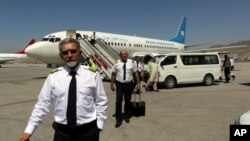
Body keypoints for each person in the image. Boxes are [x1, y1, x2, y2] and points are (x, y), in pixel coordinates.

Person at [18, 38, 108, 141]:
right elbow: (42, 105)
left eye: (73, 51)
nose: (69, 55)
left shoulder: (92, 75)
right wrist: (28, 131)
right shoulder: (53, 77)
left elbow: (101, 101)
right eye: (65, 53)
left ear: (80, 53)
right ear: (61, 56)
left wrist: (99, 126)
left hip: (88, 132)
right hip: (62, 133)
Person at [111, 49, 140, 128]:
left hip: (129, 84)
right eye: (123, 54)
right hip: (119, 84)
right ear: (120, 55)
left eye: (125, 54)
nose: (124, 55)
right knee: (118, 101)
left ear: (127, 55)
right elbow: (113, 74)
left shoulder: (131, 63)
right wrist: (112, 84)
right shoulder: (116, 63)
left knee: (127, 101)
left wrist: (138, 83)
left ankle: (127, 115)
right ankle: (118, 119)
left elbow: (136, 73)